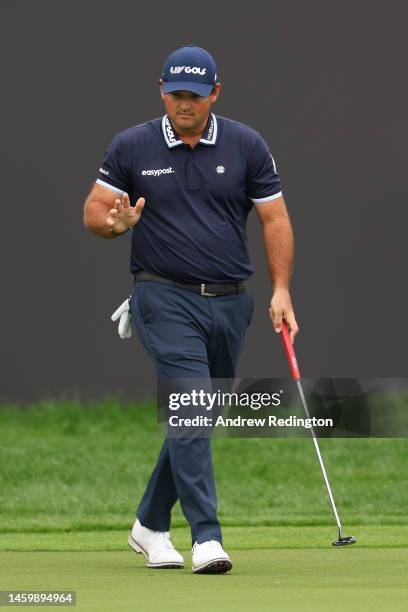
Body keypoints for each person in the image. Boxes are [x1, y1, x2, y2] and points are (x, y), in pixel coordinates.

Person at [83, 44, 298, 574]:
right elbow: (94, 210)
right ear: (162, 90)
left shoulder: (247, 145)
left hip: (231, 304)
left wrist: (281, 289)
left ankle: (150, 523)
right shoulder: (132, 145)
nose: (185, 104)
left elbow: (274, 219)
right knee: (193, 403)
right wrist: (116, 225)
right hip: (162, 296)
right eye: (176, 94)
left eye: (195, 96)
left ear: (214, 94)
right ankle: (207, 537)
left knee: (197, 414)